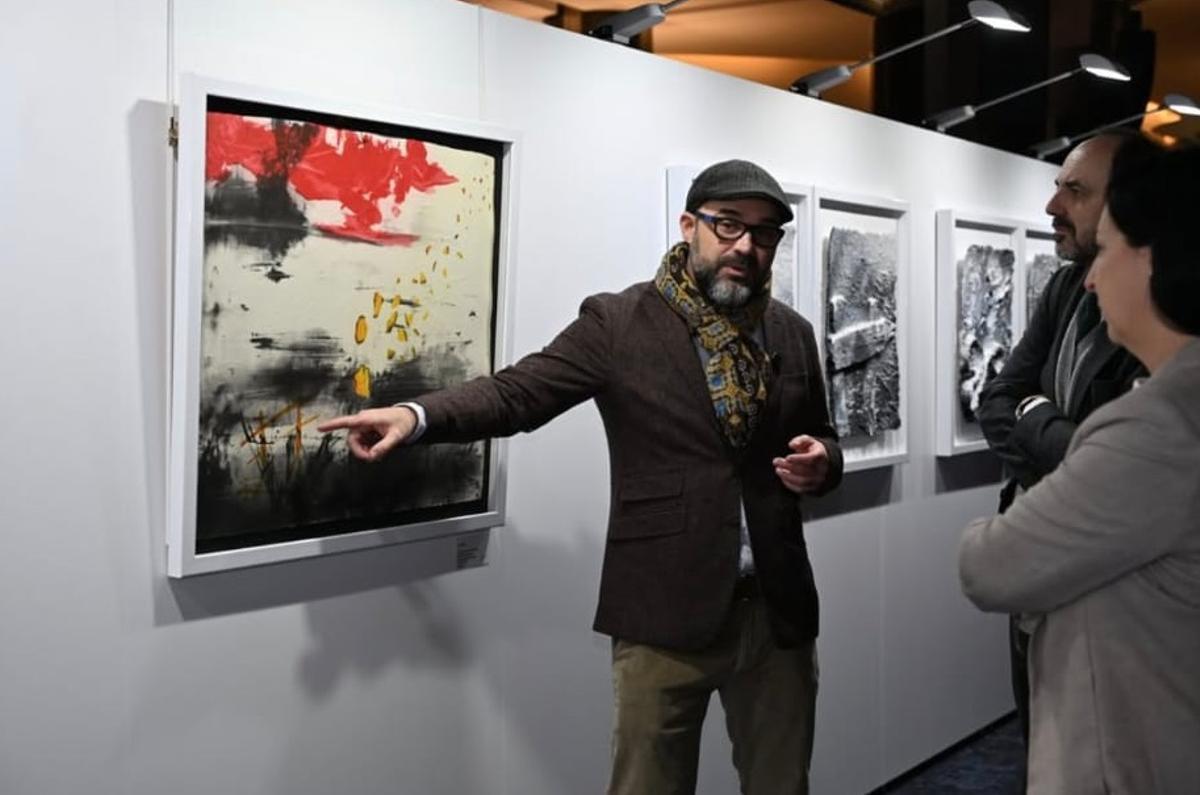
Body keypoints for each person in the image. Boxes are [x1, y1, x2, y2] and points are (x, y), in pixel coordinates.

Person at [319, 160, 843, 794]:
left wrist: (824, 464)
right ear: (689, 226)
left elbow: (824, 436)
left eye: (763, 235)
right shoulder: (619, 323)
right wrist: (416, 414)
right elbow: (518, 393)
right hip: (663, 613)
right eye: (728, 226)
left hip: (777, 614)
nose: (745, 248)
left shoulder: (791, 331)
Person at [960, 144, 1200, 794]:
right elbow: (1000, 398)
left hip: (1128, 741)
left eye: (1111, 247)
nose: (1094, 278)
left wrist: (1064, 439)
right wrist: (1077, 447)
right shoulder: (1068, 290)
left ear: (1155, 257)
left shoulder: (1159, 424)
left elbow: (983, 562)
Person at [974, 132, 1152, 748]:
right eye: (1058, 188)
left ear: (1126, 204)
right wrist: (1058, 431)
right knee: (1038, 742)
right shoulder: (1065, 287)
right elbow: (995, 398)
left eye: (1074, 191)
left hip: (1109, 588)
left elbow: (1117, 470)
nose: (1053, 207)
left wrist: (1037, 419)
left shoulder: (1167, 316)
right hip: (1037, 569)